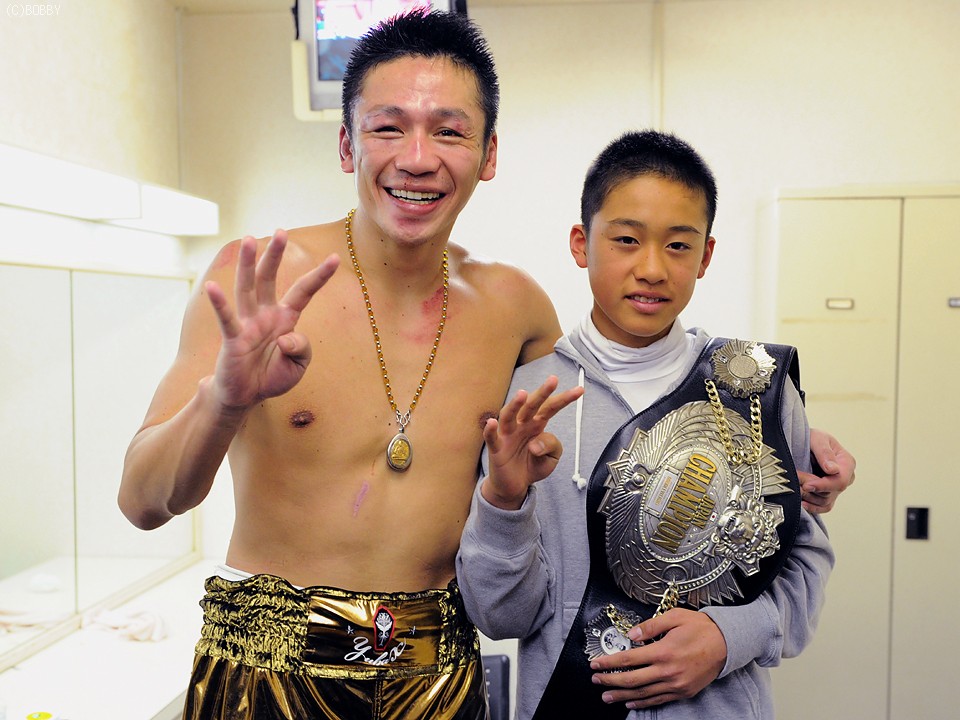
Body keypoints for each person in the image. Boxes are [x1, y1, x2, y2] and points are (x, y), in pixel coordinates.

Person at [117, 8, 853, 719]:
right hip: (267, 666)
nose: (417, 157)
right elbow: (144, 503)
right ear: (347, 145)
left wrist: (776, 431)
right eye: (388, 127)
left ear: (488, 154)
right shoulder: (257, 281)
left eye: (449, 130)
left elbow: (619, 386)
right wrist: (223, 399)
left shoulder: (513, 310)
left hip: (436, 677)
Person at [456, 130, 836, 719]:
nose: (653, 268)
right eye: (627, 240)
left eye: (679, 245)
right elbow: (502, 616)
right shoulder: (527, 399)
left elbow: (803, 560)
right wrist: (504, 500)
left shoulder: (754, 388)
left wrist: (727, 637)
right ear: (582, 244)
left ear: (705, 256)